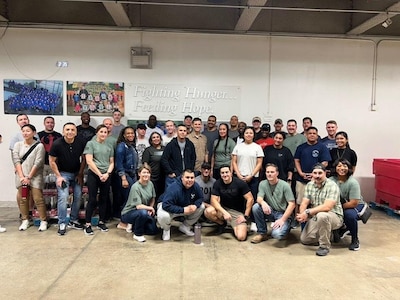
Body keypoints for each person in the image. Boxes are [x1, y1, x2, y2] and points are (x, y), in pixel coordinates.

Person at [296, 163, 343, 256]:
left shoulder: (332, 186)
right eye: (315, 173)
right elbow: (304, 202)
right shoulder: (310, 185)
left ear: (325, 173)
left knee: (322, 215)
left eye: (320, 173)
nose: (317, 176)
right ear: (312, 174)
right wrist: (302, 214)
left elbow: (327, 207)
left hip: (334, 215)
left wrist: (308, 212)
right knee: (305, 240)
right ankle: (330, 235)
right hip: (316, 216)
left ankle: (324, 246)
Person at [49, 122, 86, 235]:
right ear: (63, 131)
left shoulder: (81, 142)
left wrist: (80, 174)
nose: (70, 132)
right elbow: (52, 161)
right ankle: (62, 222)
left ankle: (73, 220)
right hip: (63, 174)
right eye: (67, 130)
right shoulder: (57, 144)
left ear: (76, 132)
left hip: (76, 174)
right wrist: (59, 177)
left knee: (78, 195)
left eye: (72, 130)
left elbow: (84, 159)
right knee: (63, 197)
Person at [12, 124, 47, 231]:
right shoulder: (17, 145)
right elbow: (16, 160)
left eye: (28, 131)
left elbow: (38, 162)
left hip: (35, 176)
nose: (25, 133)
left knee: (38, 199)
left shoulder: (39, 146)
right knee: (23, 198)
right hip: (21, 176)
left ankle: (43, 220)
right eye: (23, 131)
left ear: (34, 132)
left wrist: (29, 177)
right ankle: (25, 220)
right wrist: (22, 176)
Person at [204, 165, 254, 241]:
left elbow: (250, 199)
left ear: (231, 173)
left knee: (241, 237)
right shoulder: (217, 183)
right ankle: (222, 224)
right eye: (222, 173)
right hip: (223, 210)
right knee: (208, 211)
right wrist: (224, 212)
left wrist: (245, 216)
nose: (225, 175)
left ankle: (237, 226)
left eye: (226, 172)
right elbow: (213, 200)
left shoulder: (240, 183)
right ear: (220, 174)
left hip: (237, 213)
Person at [251, 163, 295, 243]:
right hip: (270, 211)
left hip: (282, 213)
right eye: (267, 172)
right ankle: (262, 233)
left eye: (272, 172)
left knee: (277, 234)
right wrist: (263, 203)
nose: (269, 174)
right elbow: (259, 198)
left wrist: (282, 219)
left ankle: (286, 228)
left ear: (277, 173)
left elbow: (292, 204)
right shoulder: (262, 184)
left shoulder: (285, 185)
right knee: (256, 207)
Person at [83, 124, 114, 235]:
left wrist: (107, 173)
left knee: (104, 198)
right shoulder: (91, 144)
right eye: (101, 132)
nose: (103, 134)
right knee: (92, 199)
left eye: (105, 132)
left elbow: (111, 162)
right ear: (97, 132)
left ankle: (101, 221)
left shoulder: (109, 146)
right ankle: (88, 224)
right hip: (94, 174)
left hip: (106, 175)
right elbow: (89, 161)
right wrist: (100, 174)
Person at [157, 169, 205, 241]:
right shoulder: (174, 188)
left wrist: (195, 205)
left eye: (192, 178)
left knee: (201, 206)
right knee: (163, 216)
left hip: (184, 207)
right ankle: (166, 230)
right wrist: (183, 210)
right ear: (182, 178)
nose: (190, 180)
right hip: (168, 207)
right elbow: (165, 205)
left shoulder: (195, 186)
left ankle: (185, 226)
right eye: (187, 177)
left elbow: (200, 198)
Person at [294, 126, 331, 211]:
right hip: (302, 179)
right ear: (306, 135)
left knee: (316, 202)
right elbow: (296, 161)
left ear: (317, 135)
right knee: (299, 201)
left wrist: (315, 174)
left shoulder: (322, 147)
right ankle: (298, 218)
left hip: (318, 179)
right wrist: (300, 173)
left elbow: (325, 162)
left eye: (314, 133)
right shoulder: (301, 147)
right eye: (310, 133)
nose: (312, 135)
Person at [330, 159, 364, 251]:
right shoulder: (330, 180)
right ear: (335, 168)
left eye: (345, 166)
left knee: (349, 215)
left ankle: (355, 239)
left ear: (349, 168)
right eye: (339, 166)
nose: (342, 168)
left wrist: (338, 208)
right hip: (338, 204)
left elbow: (354, 203)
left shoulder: (353, 182)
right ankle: (340, 229)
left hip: (354, 205)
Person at [120, 166, 158, 242]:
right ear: (139, 174)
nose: (146, 175)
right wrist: (150, 208)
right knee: (142, 213)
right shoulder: (135, 187)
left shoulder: (150, 184)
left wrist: (150, 208)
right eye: (144, 172)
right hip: (130, 212)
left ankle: (133, 225)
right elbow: (138, 206)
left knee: (153, 230)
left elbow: (153, 198)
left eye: (148, 173)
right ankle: (137, 234)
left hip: (144, 211)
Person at [232, 126, 264, 200]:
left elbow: (259, 163)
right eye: (246, 133)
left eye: (251, 133)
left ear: (253, 135)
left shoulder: (257, 147)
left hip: (253, 178)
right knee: (238, 199)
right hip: (239, 177)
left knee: (252, 199)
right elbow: (234, 162)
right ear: (243, 134)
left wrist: (251, 175)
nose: (248, 135)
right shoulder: (238, 147)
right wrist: (239, 175)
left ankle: (250, 212)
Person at [160, 124, 196, 188]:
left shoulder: (190, 144)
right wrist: (170, 172)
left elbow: (193, 158)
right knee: (171, 195)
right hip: (174, 176)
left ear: (186, 132)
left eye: (184, 131)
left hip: (186, 176)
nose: (182, 132)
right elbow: (164, 159)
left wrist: (190, 170)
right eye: (180, 130)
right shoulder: (171, 145)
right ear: (177, 131)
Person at [115, 126, 138, 220]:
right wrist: (123, 178)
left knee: (131, 197)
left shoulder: (131, 146)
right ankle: (124, 219)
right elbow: (119, 163)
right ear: (124, 135)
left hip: (133, 175)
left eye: (132, 133)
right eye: (128, 133)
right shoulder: (121, 146)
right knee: (128, 197)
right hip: (125, 175)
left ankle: (128, 218)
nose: (130, 135)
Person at [142, 132, 165, 199]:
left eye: (157, 137)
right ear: (151, 140)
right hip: (152, 177)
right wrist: (147, 175)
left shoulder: (165, 149)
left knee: (162, 195)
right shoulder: (148, 150)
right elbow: (145, 164)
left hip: (164, 177)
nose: (156, 139)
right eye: (154, 137)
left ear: (160, 139)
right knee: (152, 195)